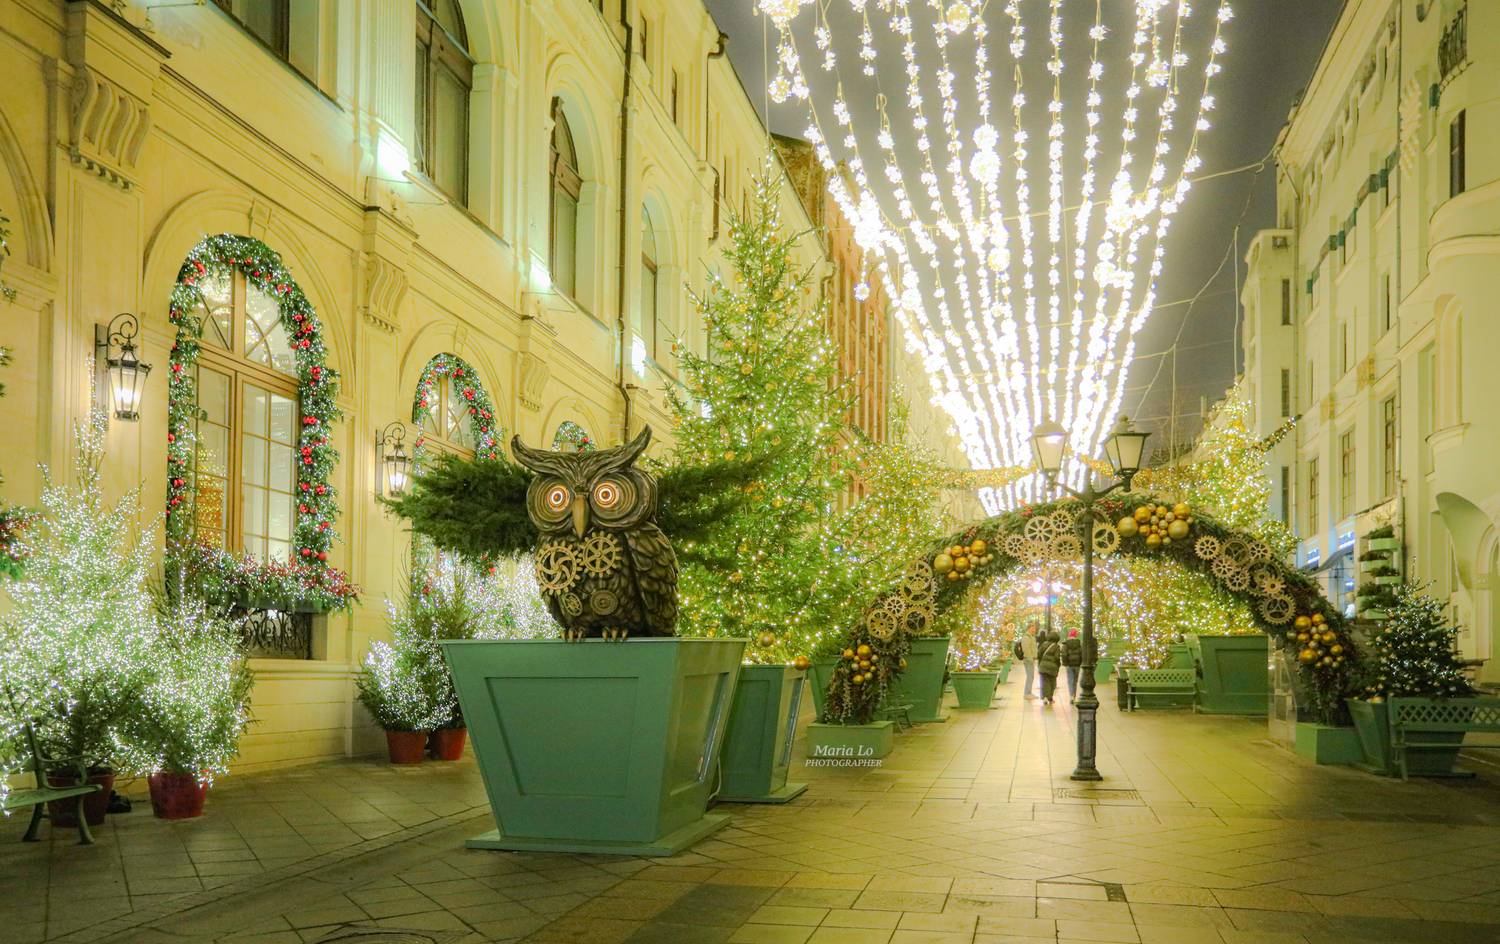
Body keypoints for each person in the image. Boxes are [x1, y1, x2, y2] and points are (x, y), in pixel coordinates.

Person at [1016, 622, 1040, 699]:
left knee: (1031, 676)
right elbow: (1026, 649)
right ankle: (1027, 693)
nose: (1034, 630)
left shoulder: (1031, 637)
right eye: (1033, 628)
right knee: (1030, 677)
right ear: (1029, 628)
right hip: (1028, 659)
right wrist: (1030, 659)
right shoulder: (1026, 637)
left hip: (1031, 659)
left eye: (1035, 628)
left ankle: (1029, 692)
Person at [1037, 630, 1062, 705]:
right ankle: (1050, 698)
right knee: (1052, 683)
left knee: (1044, 682)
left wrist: (1040, 663)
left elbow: (1039, 654)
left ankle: (1044, 697)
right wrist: (1058, 664)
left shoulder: (1043, 644)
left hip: (1043, 666)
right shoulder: (1056, 646)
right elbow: (1057, 657)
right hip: (1053, 667)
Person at [1062, 628, 1083, 703]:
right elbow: (1081, 654)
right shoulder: (1079, 644)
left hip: (1069, 665)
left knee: (1070, 680)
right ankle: (1074, 696)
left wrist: (1065, 663)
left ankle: (1071, 696)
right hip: (1077, 665)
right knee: (1075, 681)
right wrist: (1080, 662)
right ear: (1076, 635)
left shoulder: (1066, 644)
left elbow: (1064, 654)